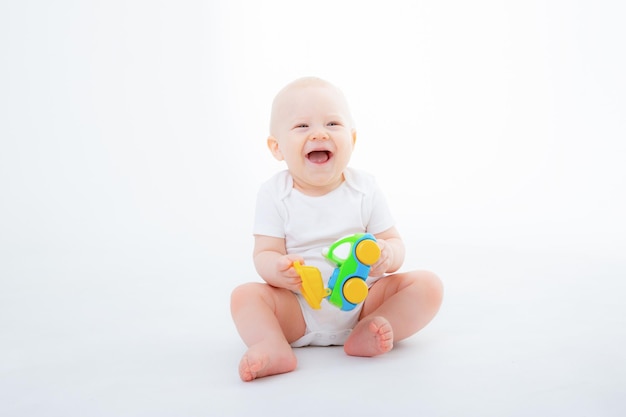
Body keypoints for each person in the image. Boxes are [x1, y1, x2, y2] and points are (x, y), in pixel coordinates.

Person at [230, 77, 443, 382]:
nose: (319, 133)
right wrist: (278, 270)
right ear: (276, 148)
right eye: (302, 126)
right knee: (245, 297)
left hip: (363, 300)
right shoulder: (274, 193)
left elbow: (393, 242)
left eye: (332, 123)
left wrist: (387, 255)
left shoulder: (364, 188)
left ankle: (372, 328)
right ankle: (272, 344)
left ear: (352, 140)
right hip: (298, 307)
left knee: (428, 285)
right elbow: (264, 253)